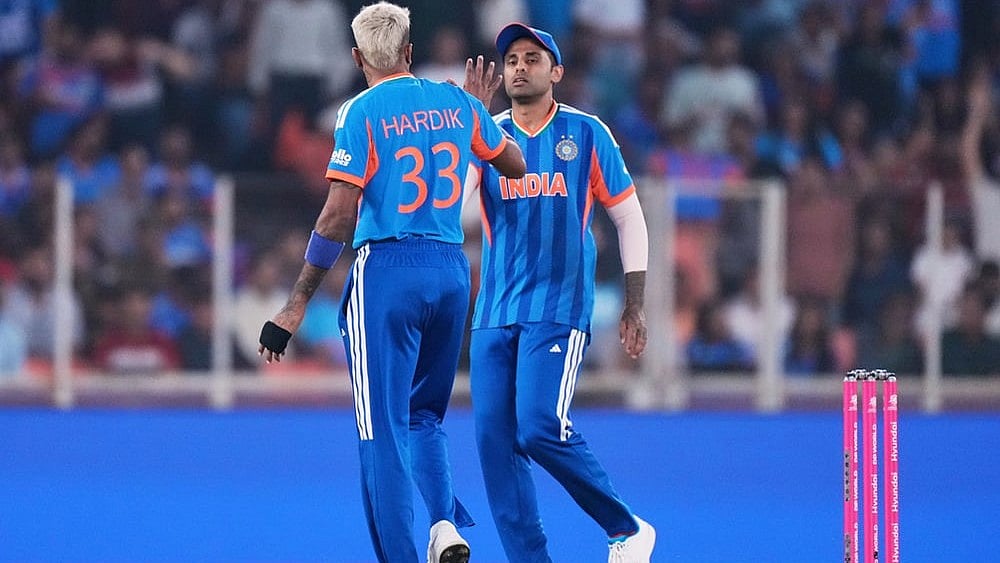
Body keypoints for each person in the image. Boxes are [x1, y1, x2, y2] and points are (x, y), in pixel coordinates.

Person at [256, 4, 525, 563]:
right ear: (408, 49)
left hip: (388, 272)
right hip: (452, 273)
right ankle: (444, 526)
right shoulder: (456, 102)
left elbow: (336, 215)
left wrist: (296, 303)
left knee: (380, 430)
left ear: (357, 58)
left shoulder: (360, 111)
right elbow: (514, 164)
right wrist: (477, 112)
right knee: (424, 415)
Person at [463, 23, 655, 562]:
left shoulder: (587, 133)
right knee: (494, 448)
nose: (519, 67)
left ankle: (626, 527)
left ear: (557, 72)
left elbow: (630, 219)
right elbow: (453, 209)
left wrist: (634, 302)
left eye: (532, 58)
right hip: (494, 311)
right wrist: (467, 128)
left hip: (558, 308)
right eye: (512, 60)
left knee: (540, 426)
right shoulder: (488, 134)